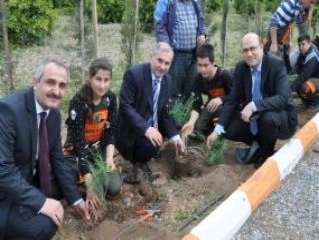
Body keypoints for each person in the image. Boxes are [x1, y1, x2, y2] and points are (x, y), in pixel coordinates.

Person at [0, 60, 93, 240]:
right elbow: (2, 170)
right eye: (50, 82)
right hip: (4, 192)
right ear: (35, 82)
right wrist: (41, 203)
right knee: (46, 224)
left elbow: (57, 158)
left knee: (69, 174)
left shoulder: (53, 114)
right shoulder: (8, 111)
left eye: (62, 85)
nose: (56, 91)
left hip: (28, 176)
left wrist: (76, 200)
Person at [207, 33, 297, 168]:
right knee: (226, 125)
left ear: (261, 47)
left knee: (267, 118)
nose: (249, 54)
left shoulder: (276, 64)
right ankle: (259, 145)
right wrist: (217, 130)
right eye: (245, 50)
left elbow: (283, 98)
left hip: (279, 116)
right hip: (254, 119)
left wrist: (254, 105)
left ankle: (265, 154)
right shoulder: (241, 68)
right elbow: (232, 100)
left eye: (253, 48)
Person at [116, 42, 186, 184]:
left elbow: (164, 113)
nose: (162, 67)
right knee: (153, 142)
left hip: (148, 126)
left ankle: (141, 160)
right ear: (151, 57)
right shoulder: (134, 75)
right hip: (129, 131)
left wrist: (175, 137)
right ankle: (134, 162)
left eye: (167, 63)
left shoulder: (167, 81)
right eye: (159, 60)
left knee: (163, 135)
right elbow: (125, 106)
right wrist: (146, 128)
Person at [64, 58, 122, 208]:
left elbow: (110, 132)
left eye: (106, 80)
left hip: (97, 149)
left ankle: (91, 179)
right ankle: (84, 184)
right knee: (70, 177)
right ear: (90, 78)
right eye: (98, 79)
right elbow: (78, 144)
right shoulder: (78, 102)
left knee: (114, 188)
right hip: (77, 152)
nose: (102, 85)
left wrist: (109, 158)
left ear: (110, 80)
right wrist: (89, 186)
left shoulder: (111, 98)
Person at [154, 0, 207, 98]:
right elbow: (160, 27)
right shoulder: (166, 1)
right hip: (176, 56)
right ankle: (172, 117)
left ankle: (188, 117)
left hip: (194, 54)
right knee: (173, 90)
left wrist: (202, 34)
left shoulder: (195, 1)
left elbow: (201, 20)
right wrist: (165, 47)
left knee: (191, 89)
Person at [264, 0, 319, 73]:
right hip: (272, 40)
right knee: (275, 67)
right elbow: (274, 21)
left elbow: (298, 24)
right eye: (310, 2)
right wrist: (274, 44)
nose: (310, 5)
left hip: (281, 40)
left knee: (283, 67)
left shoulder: (299, 7)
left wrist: (289, 42)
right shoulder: (290, 3)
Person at [181, 44, 233, 137]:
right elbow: (197, 105)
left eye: (206, 65)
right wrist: (191, 122)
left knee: (219, 108)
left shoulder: (224, 75)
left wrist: (221, 99)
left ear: (213, 62)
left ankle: (220, 132)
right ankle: (208, 131)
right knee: (198, 128)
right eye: (199, 65)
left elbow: (237, 96)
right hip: (212, 107)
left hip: (228, 108)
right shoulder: (198, 79)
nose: (202, 69)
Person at [291, 34, 319, 111]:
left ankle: (317, 102)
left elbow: (304, 75)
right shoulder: (303, 54)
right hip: (316, 78)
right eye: (299, 45)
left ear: (309, 43)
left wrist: (290, 90)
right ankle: (307, 102)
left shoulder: (313, 56)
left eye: (303, 44)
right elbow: (297, 69)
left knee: (303, 86)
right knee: (297, 82)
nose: (301, 47)